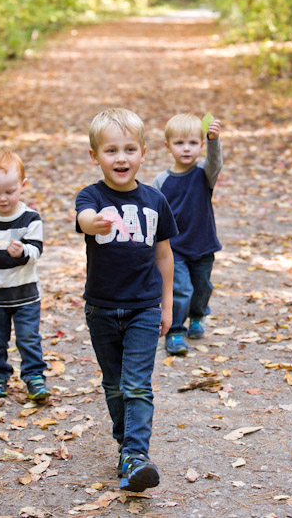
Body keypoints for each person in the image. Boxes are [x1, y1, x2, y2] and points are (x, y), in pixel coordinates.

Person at [75, 107, 178, 492]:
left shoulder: (155, 200)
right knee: (114, 385)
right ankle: (125, 446)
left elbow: (164, 255)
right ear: (95, 156)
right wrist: (94, 222)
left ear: (143, 153)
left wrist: (167, 306)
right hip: (100, 307)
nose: (121, 158)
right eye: (112, 151)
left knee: (137, 385)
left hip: (144, 308)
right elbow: (83, 218)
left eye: (130, 149)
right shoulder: (91, 196)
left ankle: (136, 455)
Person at [0, 150, 50, 401]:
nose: (2, 199)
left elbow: (36, 249)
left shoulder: (30, 218)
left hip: (24, 292)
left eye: (9, 192)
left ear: (23, 186)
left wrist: (22, 250)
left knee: (28, 337)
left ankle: (35, 376)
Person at [153, 112, 223, 355]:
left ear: (201, 146)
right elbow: (155, 215)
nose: (186, 149)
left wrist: (214, 140)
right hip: (175, 249)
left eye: (193, 143)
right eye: (179, 143)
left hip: (203, 245)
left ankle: (198, 315)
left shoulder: (204, 173)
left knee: (202, 287)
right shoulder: (161, 181)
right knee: (181, 289)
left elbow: (216, 162)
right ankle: (174, 331)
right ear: (168, 146)